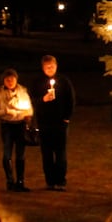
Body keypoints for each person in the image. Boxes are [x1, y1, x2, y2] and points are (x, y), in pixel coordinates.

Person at [30, 55, 75, 190]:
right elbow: (32, 100)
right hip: (44, 122)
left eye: (52, 66)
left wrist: (67, 117)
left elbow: (71, 99)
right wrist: (43, 99)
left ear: (56, 66)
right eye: (47, 67)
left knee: (60, 152)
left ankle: (60, 181)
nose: (50, 69)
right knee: (47, 153)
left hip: (60, 122)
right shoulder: (38, 82)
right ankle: (50, 181)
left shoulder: (64, 81)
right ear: (43, 67)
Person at [0, 68, 35, 192]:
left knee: (20, 154)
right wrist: (5, 111)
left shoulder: (23, 92)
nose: (10, 82)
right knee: (7, 154)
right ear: (3, 81)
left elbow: (30, 109)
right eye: (7, 79)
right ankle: (10, 181)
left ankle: (20, 182)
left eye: (12, 79)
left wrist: (26, 114)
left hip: (20, 126)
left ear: (16, 80)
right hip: (7, 127)